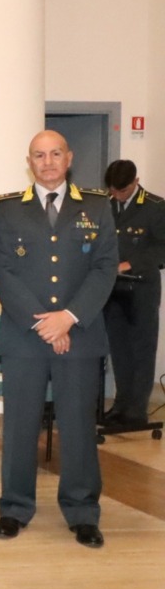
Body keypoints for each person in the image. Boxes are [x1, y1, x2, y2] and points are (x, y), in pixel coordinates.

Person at [0, 130, 117, 548]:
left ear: (69, 158)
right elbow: (2, 270)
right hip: (26, 336)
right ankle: (14, 507)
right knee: (21, 426)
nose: (47, 162)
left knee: (79, 428)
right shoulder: (7, 210)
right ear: (29, 161)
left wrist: (68, 318)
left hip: (79, 334)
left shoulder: (96, 207)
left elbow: (104, 269)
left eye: (55, 153)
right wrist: (44, 323)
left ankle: (82, 512)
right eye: (39, 155)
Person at [101, 159, 165, 428]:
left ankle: (137, 410)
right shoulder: (104, 203)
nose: (118, 196)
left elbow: (162, 248)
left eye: (123, 191)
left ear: (135, 183)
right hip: (112, 289)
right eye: (114, 191)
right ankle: (121, 404)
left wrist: (131, 263)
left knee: (141, 349)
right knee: (119, 349)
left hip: (140, 288)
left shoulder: (155, 207)